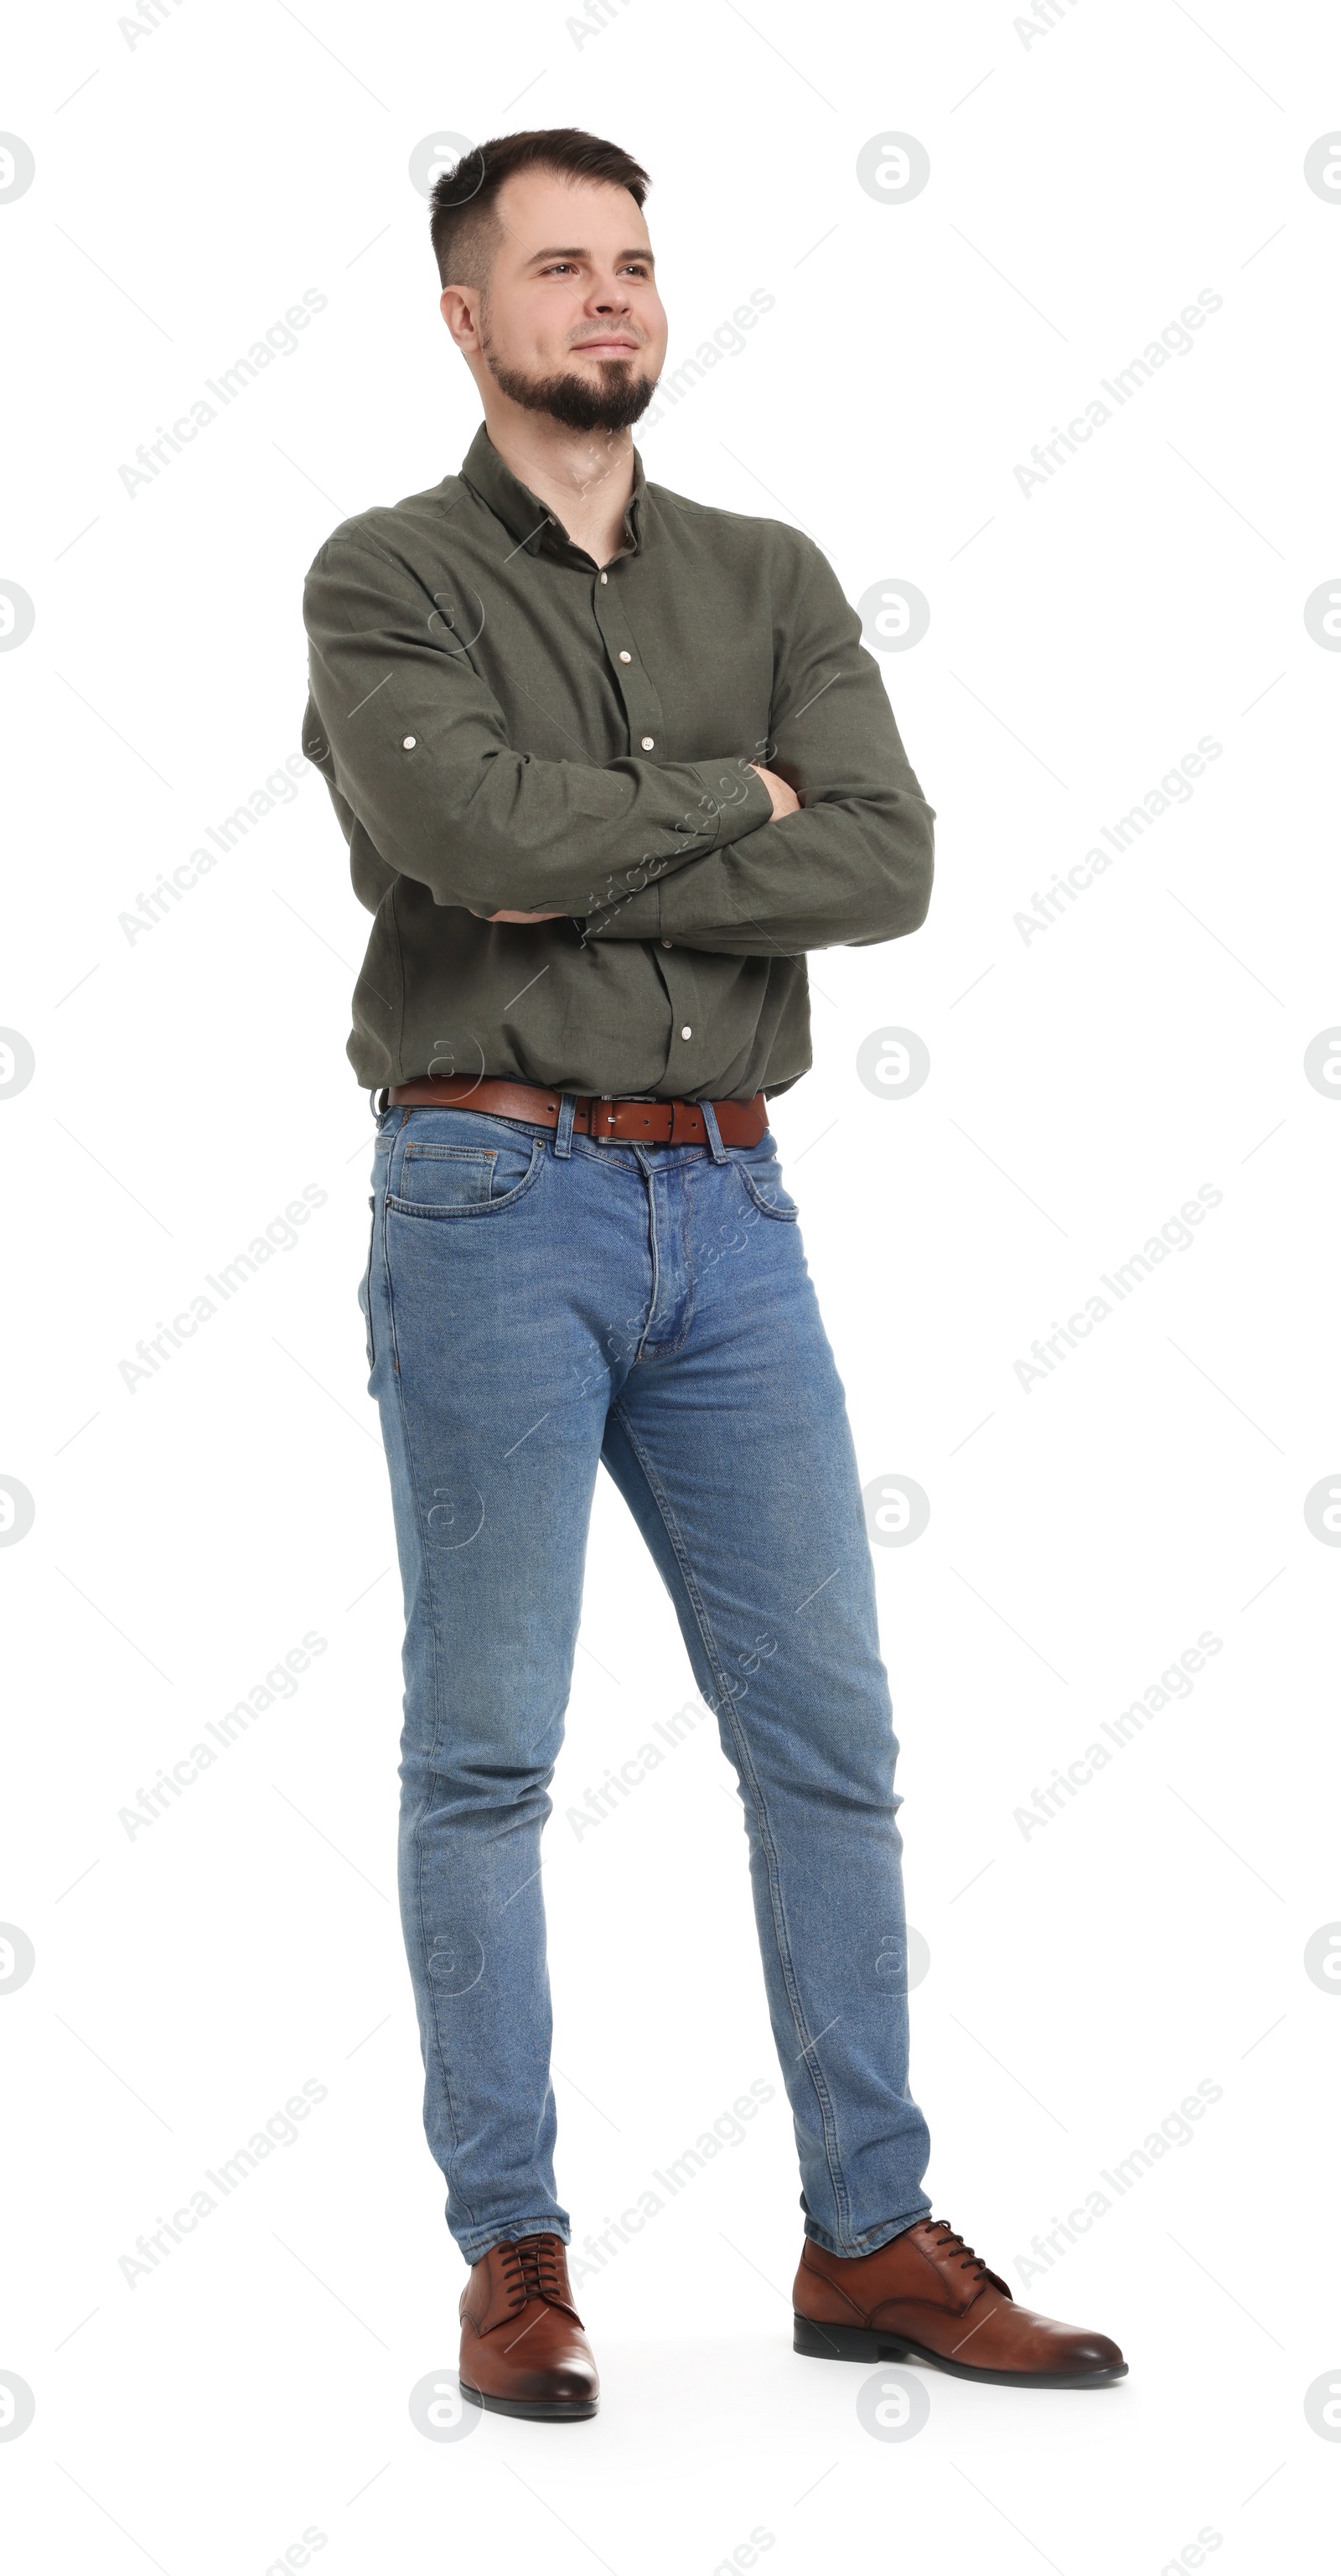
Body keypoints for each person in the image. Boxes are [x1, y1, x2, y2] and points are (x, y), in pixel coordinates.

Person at [300, 125, 1125, 2421]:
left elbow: (889, 861)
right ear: (467, 316)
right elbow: (467, 840)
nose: (611, 302)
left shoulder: (768, 574)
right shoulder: (382, 580)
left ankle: (867, 2235)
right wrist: (731, 811)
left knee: (832, 1741)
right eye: (559, 269)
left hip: (733, 1211)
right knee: (487, 1749)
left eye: (636, 263)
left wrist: (650, 848)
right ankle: (517, 2260)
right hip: (485, 1202)